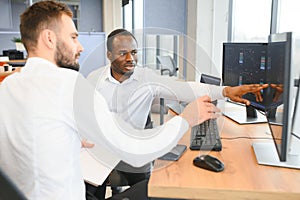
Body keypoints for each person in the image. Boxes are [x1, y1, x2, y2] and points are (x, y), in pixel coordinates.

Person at [0, 1, 239, 200]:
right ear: (49, 39)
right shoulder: (70, 84)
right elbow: (136, 152)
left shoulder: (8, 87)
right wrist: (187, 119)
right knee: (167, 191)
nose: (80, 46)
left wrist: (71, 138)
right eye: (73, 37)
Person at [87, 28, 268, 196]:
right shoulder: (94, 79)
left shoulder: (146, 78)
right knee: (89, 188)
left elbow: (184, 89)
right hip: (101, 150)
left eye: (134, 52)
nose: (130, 58)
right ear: (109, 55)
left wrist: (225, 91)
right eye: (122, 53)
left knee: (151, 190)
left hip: (133, 150)